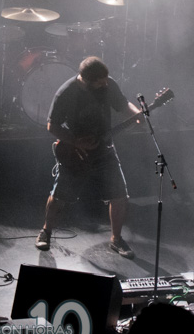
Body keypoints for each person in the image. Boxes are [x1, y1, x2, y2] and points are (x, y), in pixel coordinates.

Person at [36, 56, 141, 258]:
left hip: (105, 149)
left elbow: (123, 104)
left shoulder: (108, 84)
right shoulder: (66, 93)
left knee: (119, 195)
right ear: (86, 80)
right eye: (100, 82)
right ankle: (46, 232)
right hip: (76, 152)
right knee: (59, 196)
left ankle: (116, 239)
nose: (105, 84)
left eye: (106, 79)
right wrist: (76, 142)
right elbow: (52, 126)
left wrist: (137, 114)